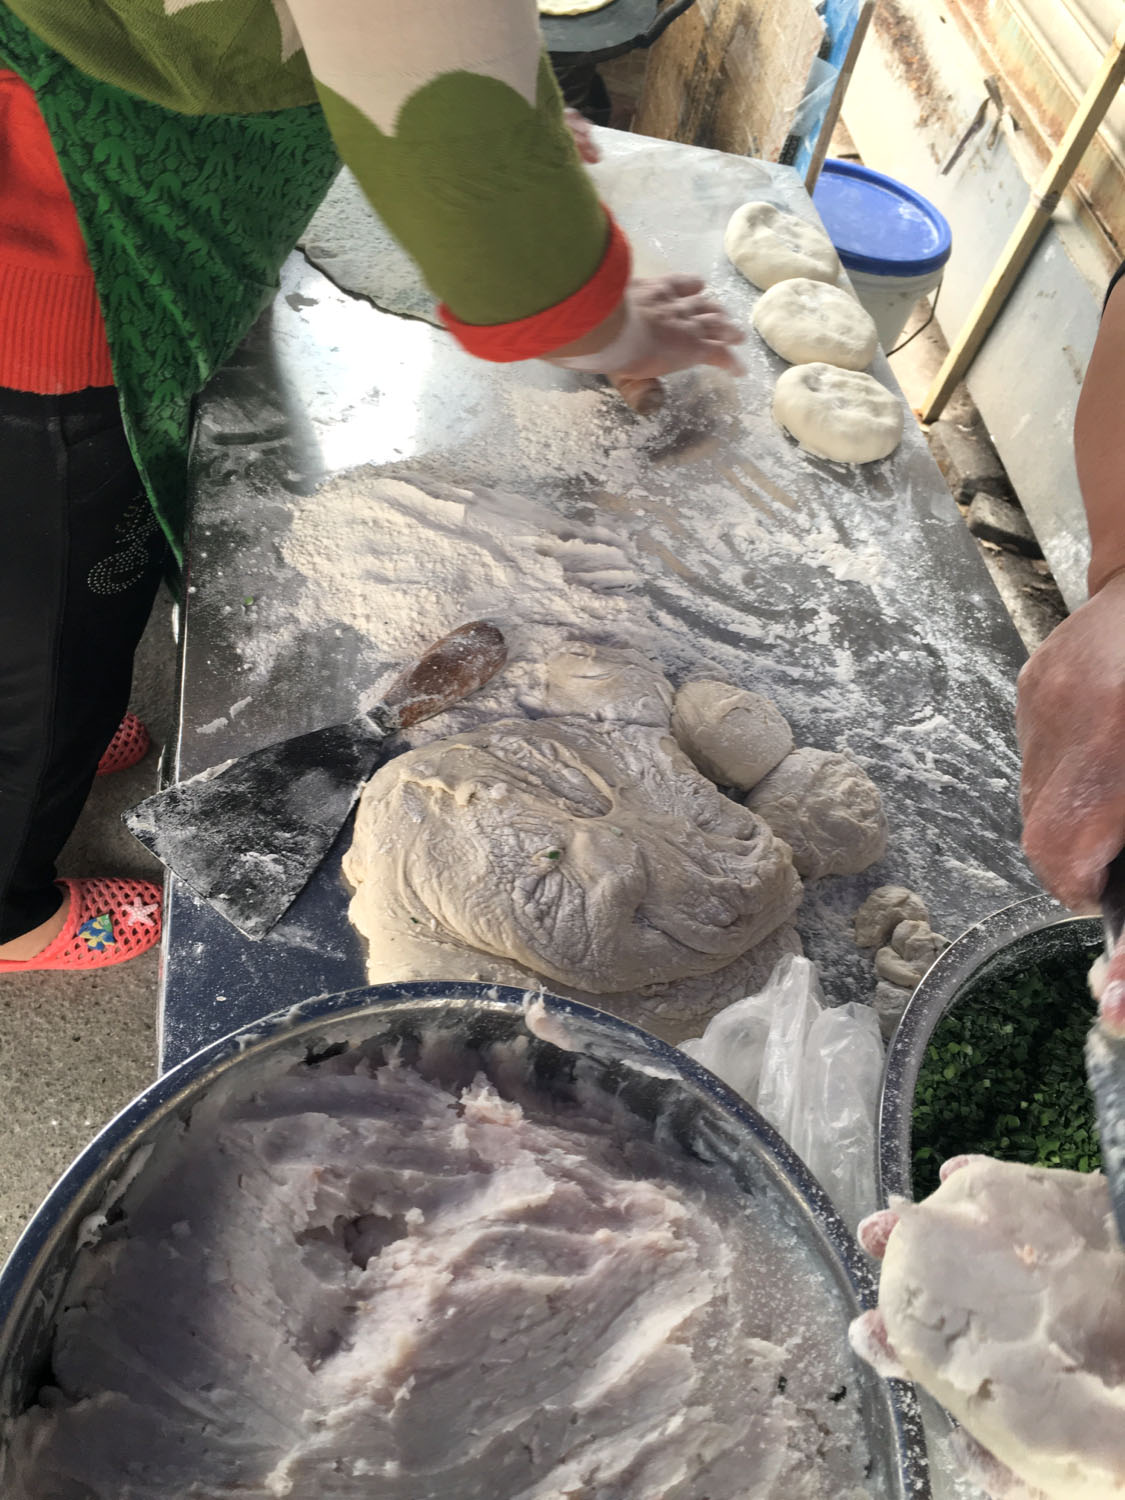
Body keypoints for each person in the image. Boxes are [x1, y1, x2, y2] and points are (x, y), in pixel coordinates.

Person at [0, 0, 744, 974]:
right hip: (53, 273)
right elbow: (438, 99)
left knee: (62, 601)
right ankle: (12, 905)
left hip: (102, 199)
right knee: (52, 632)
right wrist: (602, 320)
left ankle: (62, 724)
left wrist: (488, 106)